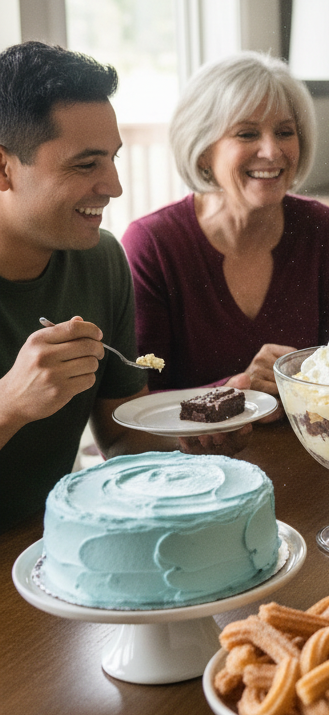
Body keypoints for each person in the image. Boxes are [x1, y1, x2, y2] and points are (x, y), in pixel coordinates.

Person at [0, 41, 247, 532]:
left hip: (51, 541)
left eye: (112, 159)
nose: (114, 186)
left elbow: (120, 437)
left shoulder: (101, 260)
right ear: (4, 169)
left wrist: (196, 435)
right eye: (86, 164)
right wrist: (10, 404)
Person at [122, 52, 329, 397]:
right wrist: (236, 390)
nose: (272, 151)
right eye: (247, 134)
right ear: (204, 150)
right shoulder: (153, 244)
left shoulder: (322, 228)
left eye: (285, 132)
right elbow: (139, 406)